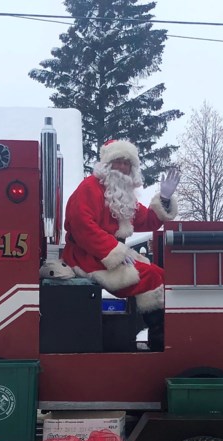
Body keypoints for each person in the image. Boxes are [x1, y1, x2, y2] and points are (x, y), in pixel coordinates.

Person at [62, 139, 180, 351]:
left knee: (159, 273)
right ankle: (159, 335)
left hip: (107, 254)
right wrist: (113, 251)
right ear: (107, 164)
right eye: (119, 161)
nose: (124, 167)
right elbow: (82, 227)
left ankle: (164, 332)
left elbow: (148, 220)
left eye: (128, 163)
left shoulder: (122, 195)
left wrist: (164, 198)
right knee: (149, 276)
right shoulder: (89, 188)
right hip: (86, 256)